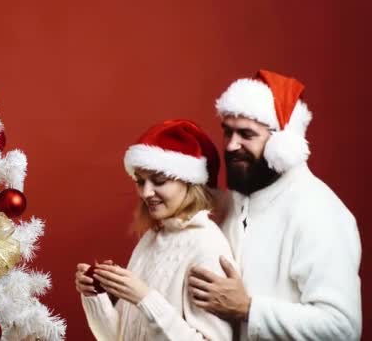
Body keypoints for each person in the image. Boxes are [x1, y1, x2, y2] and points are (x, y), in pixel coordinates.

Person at [188, 69, 362, 340]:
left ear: (282, 143)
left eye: (247, 134)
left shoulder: (320, 212)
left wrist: (248, 308)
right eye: (228, 132)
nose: (232, 146)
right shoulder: (232, 203)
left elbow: (342, 327)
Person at [75, 119, 235, 340]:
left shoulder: (207, 246)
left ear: (191, 182)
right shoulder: (152, 239)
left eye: (159, 181)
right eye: (140, 181)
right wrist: (96, 296)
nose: (146, 192)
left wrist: (145, 298)